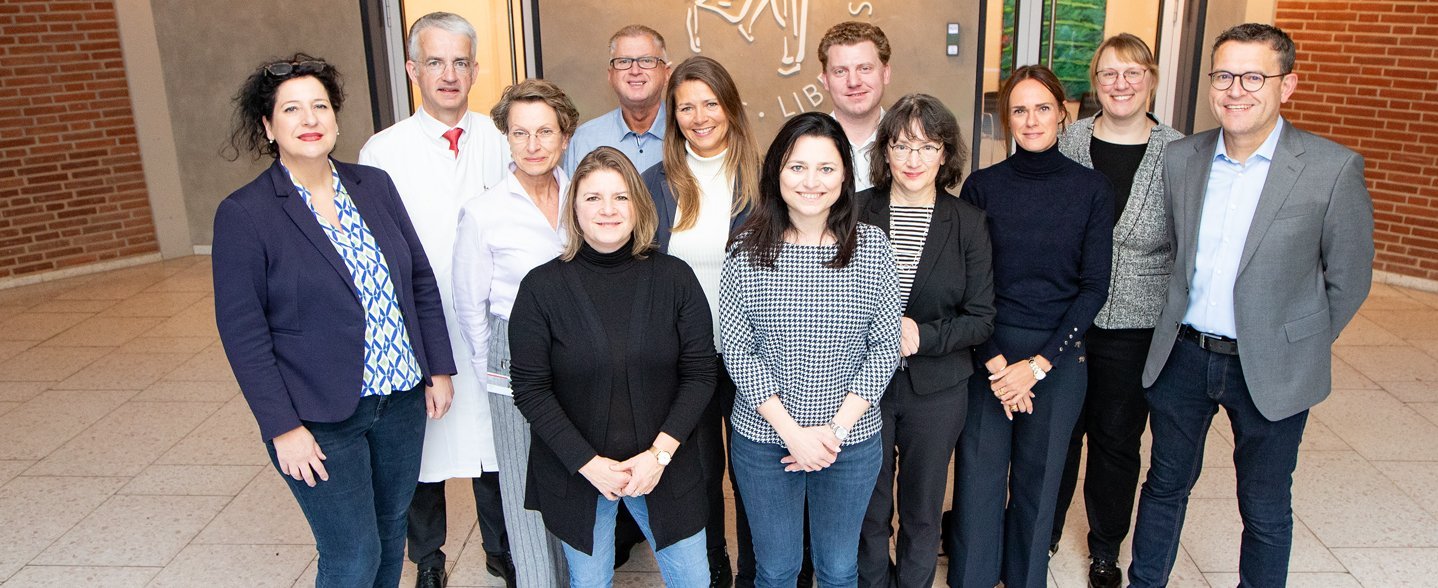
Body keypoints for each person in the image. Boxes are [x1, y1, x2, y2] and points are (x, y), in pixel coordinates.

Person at [1128, 23, 1374, 587]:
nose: (1235, 90)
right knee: (1165, 485)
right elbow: (1174, 253)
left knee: (1263, 507)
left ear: (1286, 85)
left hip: (1271, 367)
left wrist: (1293, 341)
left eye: (1253, 76)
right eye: (1223, 75)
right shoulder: (1182, 157)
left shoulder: (1331, 169)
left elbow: (1349, 278)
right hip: (1184, 358)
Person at [214, 55, 455, 587]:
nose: (309, 119)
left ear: (337, 119)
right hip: (318, 417)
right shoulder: (245, 214)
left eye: (319, 106)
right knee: (352, 554)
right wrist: (282, 427)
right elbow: (243, 334)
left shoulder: (374, 185)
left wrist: (437, 367)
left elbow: (417, 279)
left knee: (393, 535)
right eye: (292, 109)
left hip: (399, 402)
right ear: (268, 127)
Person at [509, 146, 717, 588]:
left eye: (621, 197)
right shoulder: (540, 288)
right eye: (593, 198)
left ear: (639, 206)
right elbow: (531, 389)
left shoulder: (675, 278)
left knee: (694, 580)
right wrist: (589, 464)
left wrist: (659, 456)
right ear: (575, 208)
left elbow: (700, 374)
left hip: (664, 462)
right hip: (580, 470)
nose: (607, 210)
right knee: (589, 582)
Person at [357, 12, 513, 587]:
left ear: (475, 69)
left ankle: (503, 550)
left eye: (460, 62)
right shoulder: (381, 151)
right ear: (411, 69)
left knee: (496, 442)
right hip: (417, 322)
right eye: (434, 61)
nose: (448, 74)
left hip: (491, 322)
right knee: (421, 449)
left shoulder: (503, 141)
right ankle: (428, 558)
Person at [947, 65, 1113, 588]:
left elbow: (1093, 288)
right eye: (1019, 109)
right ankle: (973, 577)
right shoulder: (981, 187)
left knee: (1040, 484)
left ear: (1064, 114)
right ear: (1005, 120)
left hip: (1057, 358)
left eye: (1043, 107)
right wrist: (999, 365)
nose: (1032, 119)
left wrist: (1037, 368)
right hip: (988, 353)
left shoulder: (1091, 189)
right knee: (978, 479)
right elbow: (968, 285)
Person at [722, 111, 902, 586]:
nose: (811, 181)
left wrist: (833, 433)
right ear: (776, 172)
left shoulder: (873, 247)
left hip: (850, 441)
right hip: (764, 440)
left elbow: (884, 348)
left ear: (845, 174)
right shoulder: (745, 249)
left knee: (839, 569)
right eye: (797, 167)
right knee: (777, 570)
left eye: (826, 168)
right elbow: (739, 349)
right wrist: (792, 434)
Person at [1046, 33, 1184, 588]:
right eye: (1108, 73)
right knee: (1056, 434)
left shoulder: (1180, 152)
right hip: (1066, 318)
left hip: (1134, 324)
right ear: (1095, 82)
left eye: (1132, 72)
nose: (1120, 84)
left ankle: (1106, 548)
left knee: (1116, 441)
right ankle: (1042, 531)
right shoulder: (1066, 141)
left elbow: (1188, 243)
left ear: (1151, 79)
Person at [855, 94, 995, 588]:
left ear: (945, 154)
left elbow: (981, 318)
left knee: (921, 511)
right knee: (869, 510)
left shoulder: (969, 223)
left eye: (926, 146)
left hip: (937, 389)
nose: (913, 160)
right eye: (901, 145)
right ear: (885, 152)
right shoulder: (853, 212)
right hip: (859, 390)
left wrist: (923, 335)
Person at [452, 79, 581, 588]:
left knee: (576, 473)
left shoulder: (585, 197)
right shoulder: (484, 212)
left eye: (544, 132)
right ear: (506, 137)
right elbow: (469, 303)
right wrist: (496, 364)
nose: (533, 145)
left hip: (583, 351)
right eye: (520, 132)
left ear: (565, 136)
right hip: (514, 353)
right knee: (524, 484)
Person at [640, 54, 762, 588]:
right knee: (700, 474)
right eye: (685, 106)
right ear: (673, 114)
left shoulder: (764, 178)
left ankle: (761, 573)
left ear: (730, 107)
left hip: (757, 353)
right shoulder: (654, 182)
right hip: (686, 360)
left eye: (709, 103)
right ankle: (714, 573)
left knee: (756, 474)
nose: (699, 116)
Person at [562, 25, 671, 177]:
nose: (635, 71)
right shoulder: (585, 140)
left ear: (666, 74)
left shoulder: (688, 133)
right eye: (624, 61)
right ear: (610, 75)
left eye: (646, 60)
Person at [817, 21, 892, 192]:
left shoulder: (910, 147)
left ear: (885, 73)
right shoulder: (802, 148)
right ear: (826, 80)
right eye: (840, 71)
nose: (853, 82)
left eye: (865, 68)